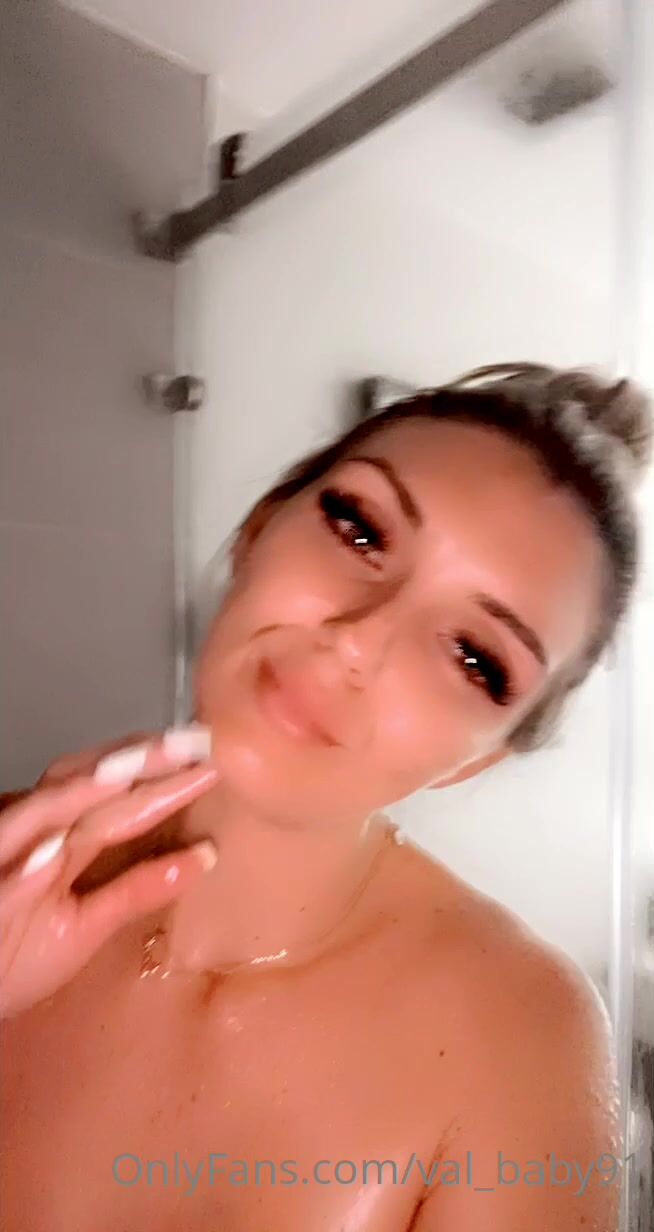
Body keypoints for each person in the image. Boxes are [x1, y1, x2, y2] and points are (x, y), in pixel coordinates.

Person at [0, 362, 650, 1231]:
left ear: (478, 760)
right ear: (257, 532)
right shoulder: (10, 864)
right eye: (360, 530)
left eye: (473, 657)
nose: (359, 640)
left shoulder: (522, 1038)